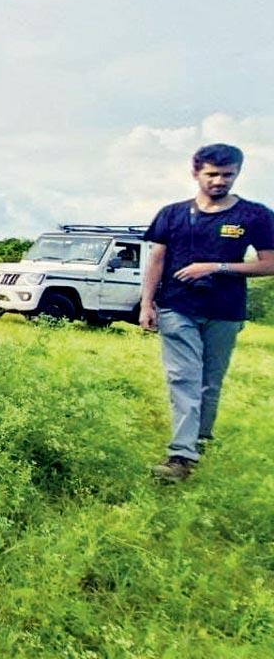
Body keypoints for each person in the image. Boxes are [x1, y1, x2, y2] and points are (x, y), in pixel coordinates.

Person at [140, 143, 274, 481]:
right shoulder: (171, 214)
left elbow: (269, 264)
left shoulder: (254, 215)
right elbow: (156, 259)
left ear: (237, 174)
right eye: (212, 174)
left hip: (225, 310)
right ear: (196, 172)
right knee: (183, 377)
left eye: (227, 175)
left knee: (209, 382)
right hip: (177, 306)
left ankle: (199, 439)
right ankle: (180, 458)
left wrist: (215, 267)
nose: (219, 181)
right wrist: (146, 303)